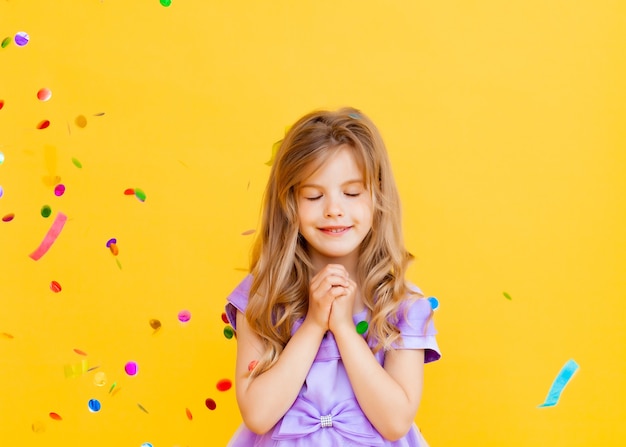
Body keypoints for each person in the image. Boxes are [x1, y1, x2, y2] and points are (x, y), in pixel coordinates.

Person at [225, 107, 441, 447]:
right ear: (289, 203)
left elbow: (396, 422)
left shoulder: (401, 304)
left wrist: (342, 328)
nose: (333, 209)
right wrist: (313, 323)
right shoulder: (262, 297)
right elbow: (258, 413)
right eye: (314, 195)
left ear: (378, 197)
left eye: (352, 193)